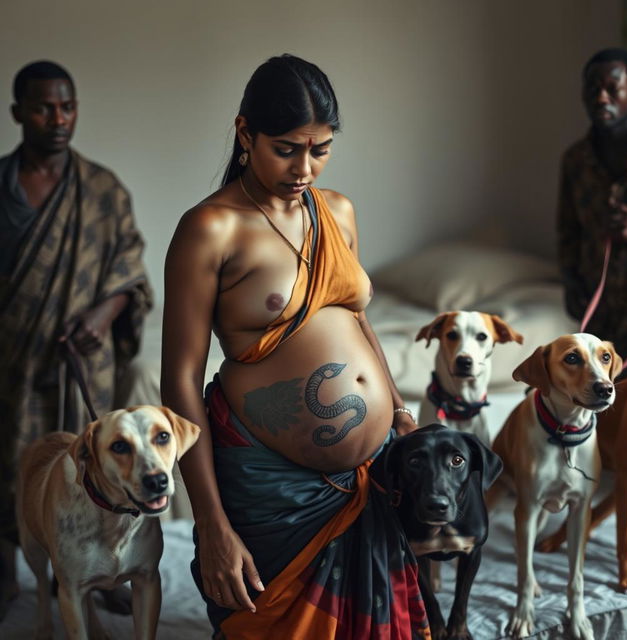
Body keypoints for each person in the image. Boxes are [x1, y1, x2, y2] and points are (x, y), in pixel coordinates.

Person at [161, 54, 429, 639]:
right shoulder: (211, 229)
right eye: (285, 148)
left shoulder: (338, 210)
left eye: (320, 148)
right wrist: (209, 523)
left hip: (370, 466)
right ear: (244, 133)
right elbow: (180, 378)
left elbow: (359, 323)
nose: (304, 167)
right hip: (271, 485)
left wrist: (402, 414)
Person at [0, 61, 152, 616]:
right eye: (44, 107)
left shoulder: (103, 191)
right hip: (12, 358)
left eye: (67, 106)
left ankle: (105, 569)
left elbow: (131, 272)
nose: (58, 118)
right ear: (18, 112)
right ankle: (9, 568)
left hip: (86, 358)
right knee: (12, 459)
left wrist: (103, 314)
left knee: (94, 461)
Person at [557, 47, 627, 371]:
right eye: (592, 88)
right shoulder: (575, 160)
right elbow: (567, 230)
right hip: (600, 311)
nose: (601, 97)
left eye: (612, 88)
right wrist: (570, 282)